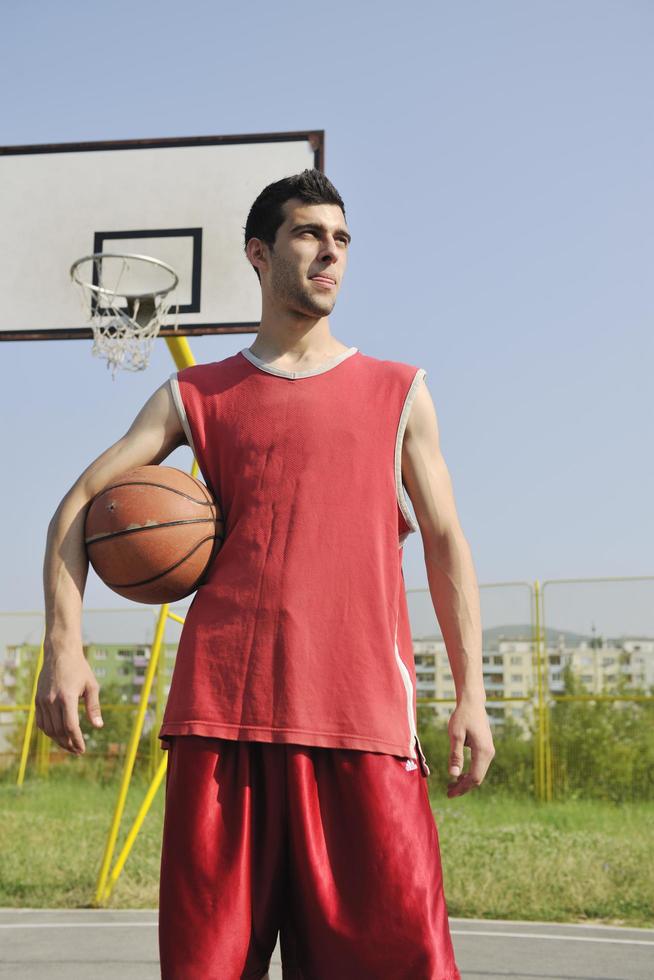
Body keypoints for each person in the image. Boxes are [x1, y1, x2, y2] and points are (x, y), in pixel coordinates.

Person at [38, 168, 495, 979]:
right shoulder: (196, 395)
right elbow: (80, 503)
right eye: (310, 234)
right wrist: (64, 646)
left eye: (343, 239)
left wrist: (471, 696)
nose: (331, 253)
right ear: (259, 252)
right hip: (223, 728)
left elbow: (446, 542)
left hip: (364, 729)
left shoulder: (400, 392)